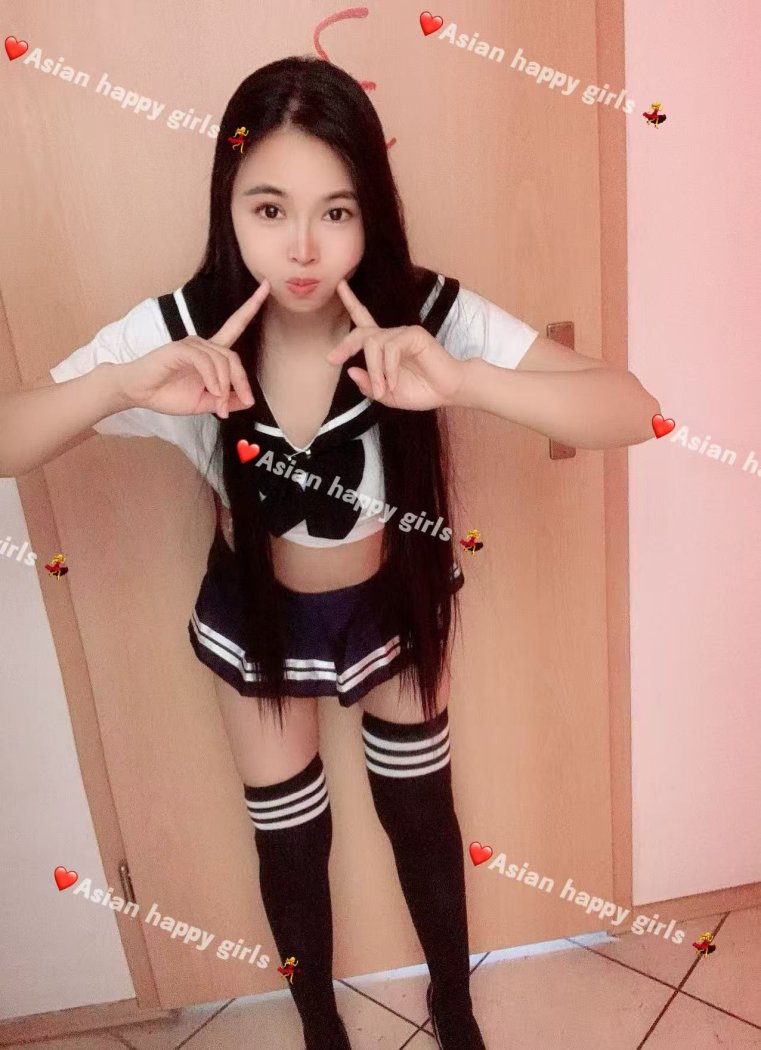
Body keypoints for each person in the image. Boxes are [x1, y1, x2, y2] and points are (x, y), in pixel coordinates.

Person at [0, 55, 658, 1050]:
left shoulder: (423, 313)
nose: (302, 249)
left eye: (335, 212)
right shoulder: (181, 332)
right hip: (258, 614)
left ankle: (453, 1007)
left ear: (370, 212)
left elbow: (635, 410)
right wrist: (117, 387)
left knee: (419, 813)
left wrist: (465, 383)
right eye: (269, 209)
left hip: (391, 599)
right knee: (291, 840)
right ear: (228, 204)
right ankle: (319, 1027)